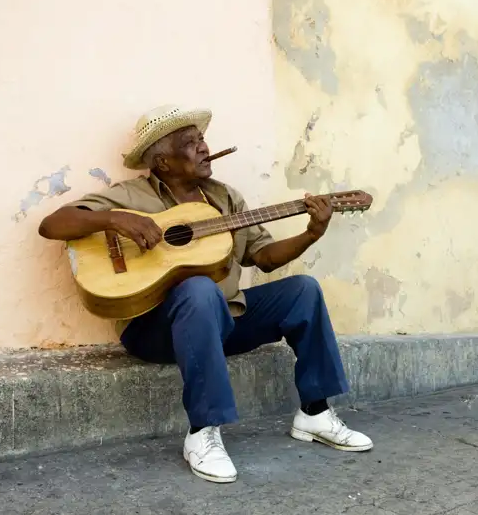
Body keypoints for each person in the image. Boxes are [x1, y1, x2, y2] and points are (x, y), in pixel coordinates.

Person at [38, 105, 372, 483]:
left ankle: (315, 412)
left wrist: (312, 233)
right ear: (162, 162)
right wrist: (116, 218)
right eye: (191, 142)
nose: (203, 148)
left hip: (223, 320)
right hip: (154, 330)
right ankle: (204, 432)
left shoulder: (226, 199)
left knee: (303, 291)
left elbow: (263, 257)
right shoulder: (130, 195)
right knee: (198, 290)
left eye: (202, 140)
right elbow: (53, 225)